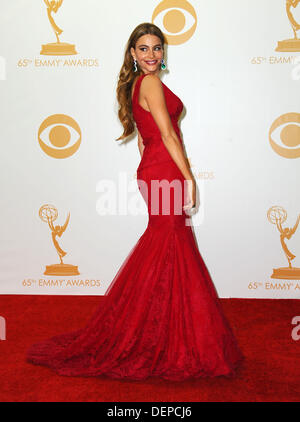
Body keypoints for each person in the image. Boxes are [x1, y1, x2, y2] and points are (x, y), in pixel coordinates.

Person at [26, 23, 244, 381]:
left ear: (163, 51)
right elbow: (169, 134)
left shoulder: (135, 85)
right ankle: (162, 332)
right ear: (132, 53)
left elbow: (147, 139)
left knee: (169, 244)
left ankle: (160, 328)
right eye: (143, 49)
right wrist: (189, 178)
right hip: (165, 170)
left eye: (157, 48)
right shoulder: (151, 83)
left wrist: (153, 166)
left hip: (155, 168)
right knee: (170, 243)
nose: (152, 55)